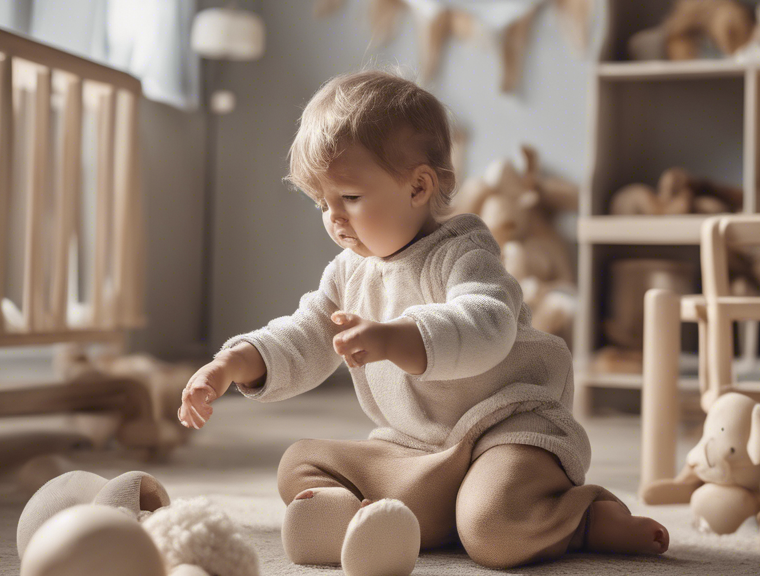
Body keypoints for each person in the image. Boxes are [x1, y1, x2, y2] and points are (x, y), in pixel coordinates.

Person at [178, 69, 669, 570]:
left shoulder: (464, 253)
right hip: (417, 448)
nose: (334, 218)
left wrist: (398, 337)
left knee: (492, 532)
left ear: (417, 186)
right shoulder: (348, 273)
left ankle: (579, 518)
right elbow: (305, 333)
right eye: (322, 203)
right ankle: (374, 520)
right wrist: (234, 362)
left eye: (349, 197)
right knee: (299, 463)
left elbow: (486, 324)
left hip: (507, 431)